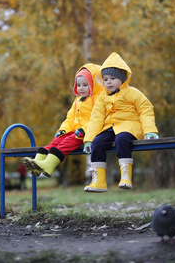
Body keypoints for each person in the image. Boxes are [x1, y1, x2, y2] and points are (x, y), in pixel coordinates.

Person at [83, 52, 159, 192]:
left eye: (113, 78)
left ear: (122, 79)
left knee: (122, 139)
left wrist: (150, 131)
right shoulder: (102, 97)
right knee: (98, 143)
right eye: (105, 79)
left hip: (128, 126)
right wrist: (88, 139)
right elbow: (96, 118)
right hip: (109, 128)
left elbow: (145, 109)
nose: (109, 82)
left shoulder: (132, 92)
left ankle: (125, 177)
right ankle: (98, 181)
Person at [22, 63, 103, 177]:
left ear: (93, 84)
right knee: (56, 141)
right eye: (78, 85)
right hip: (74, 131)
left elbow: (97, 118)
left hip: (87, 132)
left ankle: (48, 165)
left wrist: (84, 130)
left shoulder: (98, 100)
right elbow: (70, 118)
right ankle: (36, 164)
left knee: (66, 142)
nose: (81, 88)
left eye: (85, 85)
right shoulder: (77, 101)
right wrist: (63, 130)